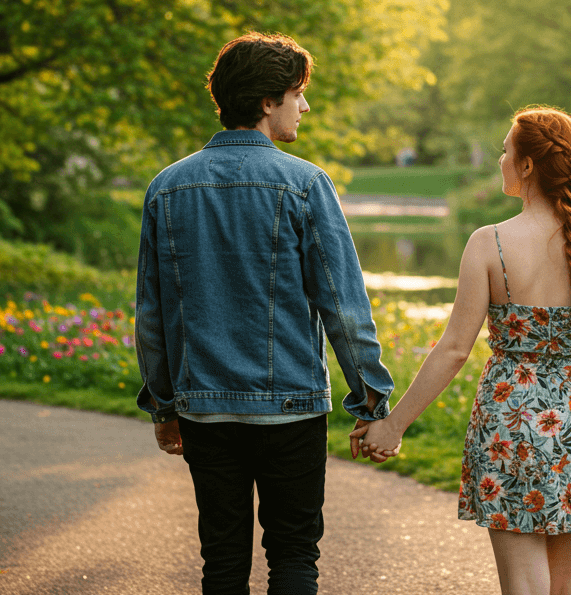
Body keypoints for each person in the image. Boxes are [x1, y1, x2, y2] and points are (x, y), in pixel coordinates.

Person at [134, 32, 396, 595]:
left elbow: (153, 316)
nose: (306, 106)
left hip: (204, 409)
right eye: (297, 94)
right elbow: (343, 307)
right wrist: (371, 400)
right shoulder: (305, 184)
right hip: (293, 408)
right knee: (294, 555)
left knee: (222, 561)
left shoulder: (166, 189)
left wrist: (164, 405)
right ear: (266, 102)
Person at [357, 106, 571, 595]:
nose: (500, 159)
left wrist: (393, 424)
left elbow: (453, 350)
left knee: (522, 586)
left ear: (528, 165)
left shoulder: (488, 243)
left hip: (508, 422)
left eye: (506, 150)